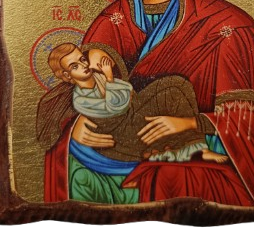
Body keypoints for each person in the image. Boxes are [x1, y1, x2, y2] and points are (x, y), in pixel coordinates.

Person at [41, 0, 254, 206]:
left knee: (172, 176)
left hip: (199, 150)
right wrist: (76, 126)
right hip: (118, 150)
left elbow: (249, 126)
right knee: (76, 164)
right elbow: (76, 93)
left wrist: (191, 124)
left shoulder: (230, 27)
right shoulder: (111, 24)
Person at [39, 42, 227, 165]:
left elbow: (127, 90)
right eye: (75, 66)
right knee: (173, 94)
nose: (84, 66)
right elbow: (117, 106)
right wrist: (110, 78)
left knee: (177, 84)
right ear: (67, 76)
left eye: (82, 59)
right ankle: (188, 150)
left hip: (131, 117)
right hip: (123, 137)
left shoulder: (97, 78)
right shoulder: (81, 100)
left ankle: (199, 147)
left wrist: (113, 84)